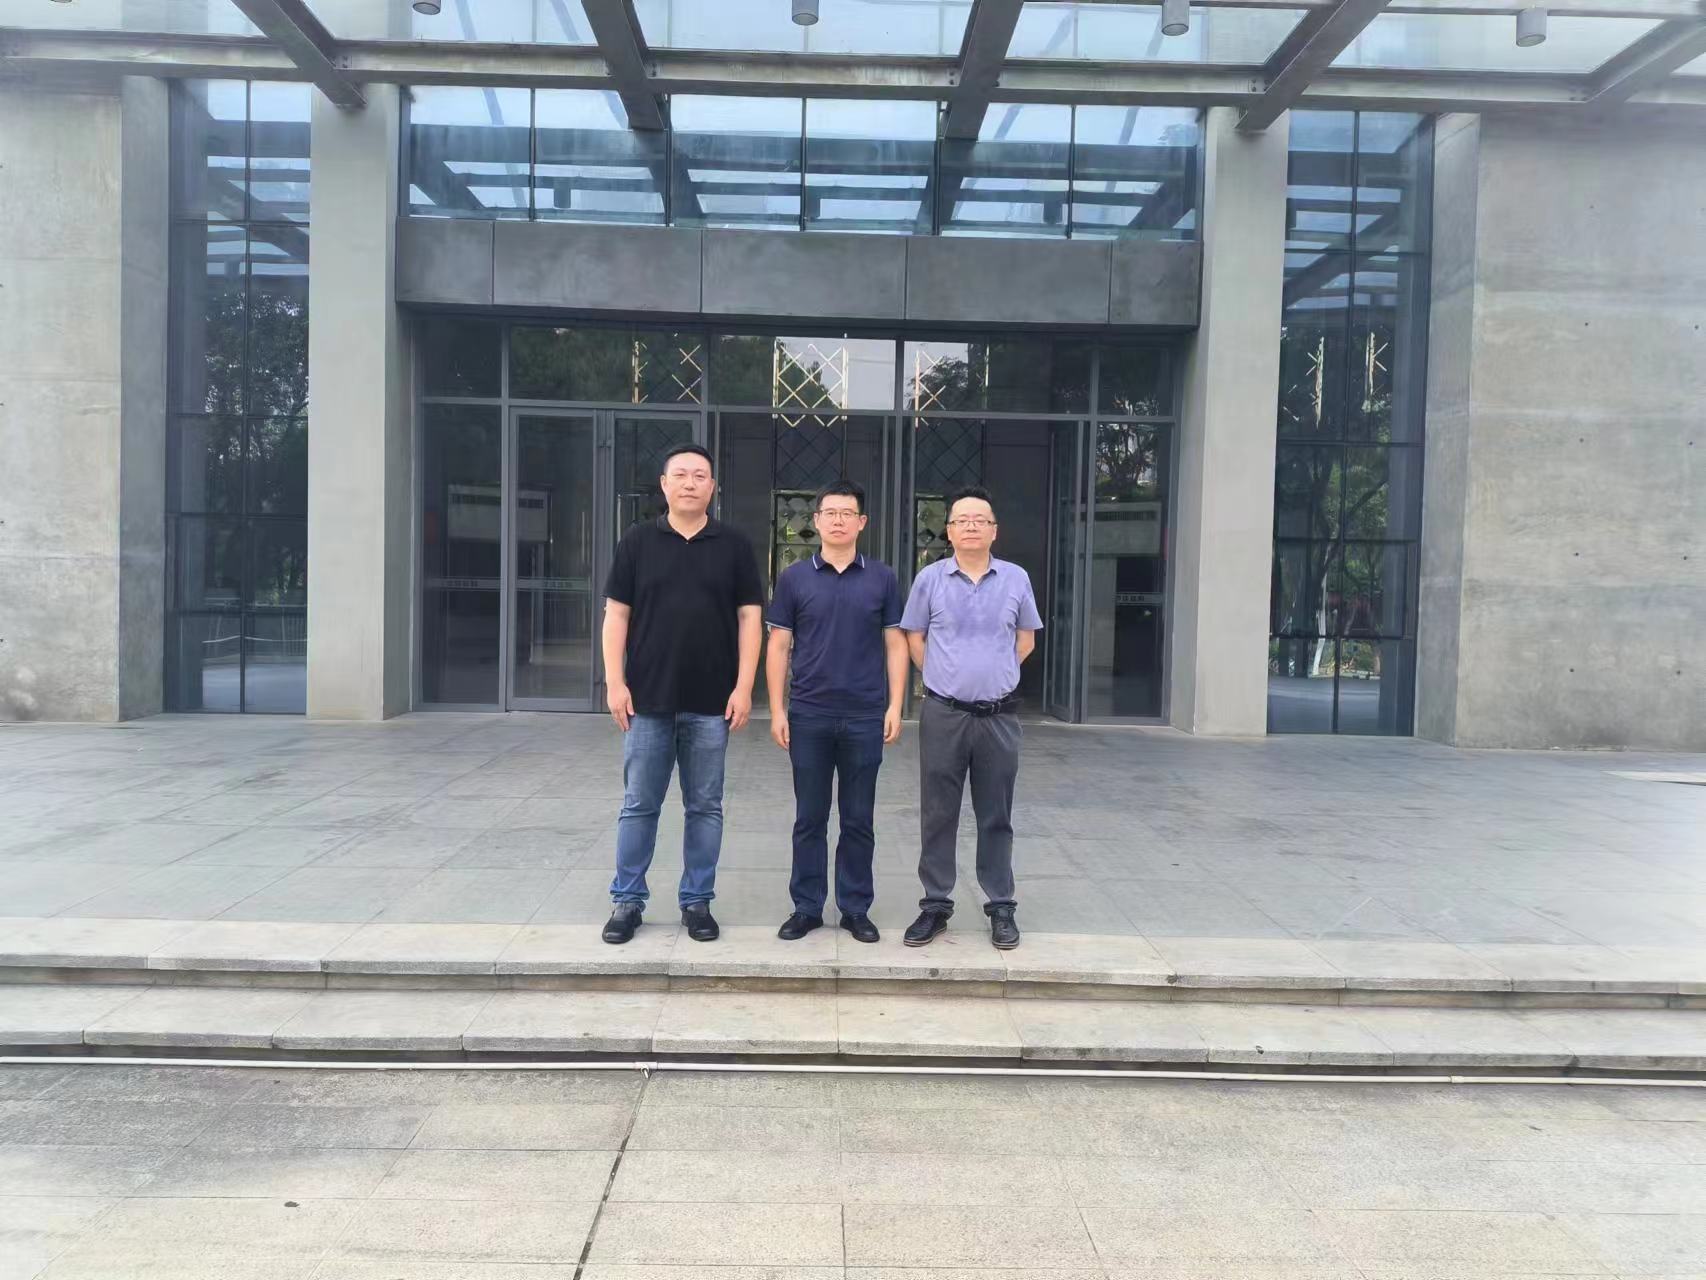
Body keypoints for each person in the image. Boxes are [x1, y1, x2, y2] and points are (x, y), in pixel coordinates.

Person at [600, 442, 764, 946]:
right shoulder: (637, 541)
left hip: (712, 703)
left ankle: (697, 901)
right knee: (639, 805)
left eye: (700, 475)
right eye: (681, 474)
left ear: (713, 486)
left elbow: (750, 617)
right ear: (664, 484)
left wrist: (744, 687)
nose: (690, 483)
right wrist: (614, 681)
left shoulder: (734, 545)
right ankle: (627, 900)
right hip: (647, 700)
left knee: (705, 807)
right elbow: (617, 615)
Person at [898, 485, 1041, 951]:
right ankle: (935, 905)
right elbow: (914, 637)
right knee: (938, 812)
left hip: (999, 718)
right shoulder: (930, 579)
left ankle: (1000, 905)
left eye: (981, 520)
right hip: (944, 714)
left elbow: (1025, 640)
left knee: (996, 814)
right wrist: (944, 676)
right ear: (949, 530)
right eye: (962, 520)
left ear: (994, 530)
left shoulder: (1016, 578)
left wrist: (993, 674)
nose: (971, 527)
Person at [765, 480, 907, 945]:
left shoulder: (882, 578)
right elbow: (779, 645)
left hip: (865, 716)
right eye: (831, 513)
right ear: (817, 520)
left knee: (858, 818)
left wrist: (895, 705)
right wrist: (777, 710)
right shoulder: (794, 578)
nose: (839, 520)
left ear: (862, 522)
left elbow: (895, 643)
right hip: (809, 715)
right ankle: (806, 907)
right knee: (809, 817)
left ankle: (855, 908)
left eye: (848, 513)